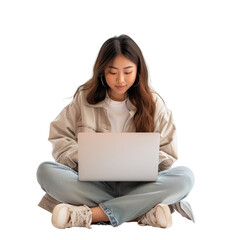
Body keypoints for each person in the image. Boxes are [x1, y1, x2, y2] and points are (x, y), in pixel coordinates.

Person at [36, 34, 195, 229]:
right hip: (93, 184)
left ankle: (90, 214)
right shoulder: (84, 99)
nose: (120, 80)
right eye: (112, 72)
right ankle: (142, 211)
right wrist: (86, 157)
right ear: (102, 71)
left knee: (185, 177)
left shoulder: (154, 103)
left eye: (128, 72)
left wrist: (142, 161)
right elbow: (60, 136)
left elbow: (168, 153)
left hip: (138, 185)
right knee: (45, 171)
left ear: (138, 71)